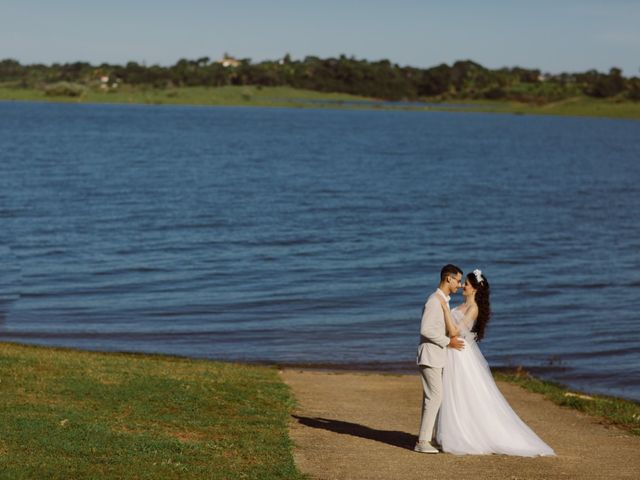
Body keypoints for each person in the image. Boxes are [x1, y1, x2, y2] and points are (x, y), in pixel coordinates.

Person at [435, 269, 555, 456]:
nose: (462, 286)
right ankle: (453, 433)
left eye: (466, 283)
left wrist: (443, 308)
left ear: (474, 288)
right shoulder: (461, 305)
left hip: (460, 352)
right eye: (462, 283)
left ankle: (465, 435)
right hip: (453, 351)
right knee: (454, 392)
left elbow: (456, 332)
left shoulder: (473, 308)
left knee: (463, 392)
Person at [415, 264, 465, 454]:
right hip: (429, 356)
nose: (459, 285)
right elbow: (425, 329)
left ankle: (426, 438)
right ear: (448, 278)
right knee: (435, 397)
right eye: (458, 280)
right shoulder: (434, 301)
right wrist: (448, 342)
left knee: (432, 398)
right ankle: (422, 442)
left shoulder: (443, 300)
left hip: (436, 356)